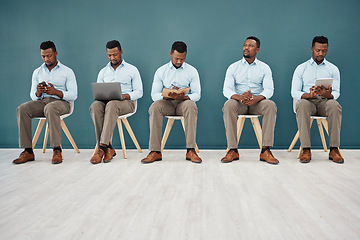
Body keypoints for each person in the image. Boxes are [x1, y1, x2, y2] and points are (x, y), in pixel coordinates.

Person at [13, 41, 78, 164]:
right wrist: (38, 93)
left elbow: (74, 95)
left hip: (62, 103)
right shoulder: (37, 72)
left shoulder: (67, 71)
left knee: (51, 108)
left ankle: (57, 149)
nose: (46, 59)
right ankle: (28, 151)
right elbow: (33, 96)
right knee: (22, 108)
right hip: (43, 102)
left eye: (49, 56)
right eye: (43, 56)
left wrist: (56, 92)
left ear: (56, 53)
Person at [141, 41, 202, 164]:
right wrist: (168, 95)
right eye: (176, 58)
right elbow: (154, 95)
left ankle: (191, 150)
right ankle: (155, 151)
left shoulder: (192, 71)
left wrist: (183, 97)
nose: (179, 61)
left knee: (191, 105)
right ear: (170, 54)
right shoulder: (161, 71)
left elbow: (197, 94)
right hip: (167, 103)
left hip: (183, 104)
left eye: (182, 59)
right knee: (154, 107)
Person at [221, 36, 279, 164]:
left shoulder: (264, 68)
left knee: (270, 105)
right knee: (228, 105)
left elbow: (269, 90)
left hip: (257, 102)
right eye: (245, 45)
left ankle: (265, 150)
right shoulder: (233, 67)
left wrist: (256, 98)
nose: (246, 48)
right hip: (239, 102)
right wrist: (240, 97)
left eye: (250, 46)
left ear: (257, 50)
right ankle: (232, 150)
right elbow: (226, 90)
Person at [291, 36, 343, 164]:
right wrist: (308, 95)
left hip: (325, 102)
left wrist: (328, 95)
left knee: (335, 105)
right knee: (302, 104)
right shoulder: (301, 68)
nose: (320, 53)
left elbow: (336, 92)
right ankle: (306, 149)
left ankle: (334, 149)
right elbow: (294, 92)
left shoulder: (333, 69)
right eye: (318, 50)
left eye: (324, 51)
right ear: (312, 49)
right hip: (308, 102)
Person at [89, 40, 143, 164]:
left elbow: (139, 92)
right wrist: (101, 96)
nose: (112, 58)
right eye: (109, 55)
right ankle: (108, 148)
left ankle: (101, 147)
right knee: (95, 106)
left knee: (112, 105)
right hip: (107, 102)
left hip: (126, 103)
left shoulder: (132, 70)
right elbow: (98, 91)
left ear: (121, 52)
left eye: (115, 54)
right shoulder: (103, 72)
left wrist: (124, 96)